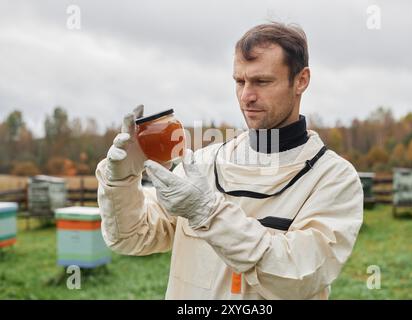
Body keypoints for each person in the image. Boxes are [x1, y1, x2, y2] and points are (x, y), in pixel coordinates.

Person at [95, 22, 363, 299]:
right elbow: (130, 238)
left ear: (301, 80)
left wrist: (208, 214)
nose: (246, 96)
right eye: (239, 81)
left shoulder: (333, 178)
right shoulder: (203, 163)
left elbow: (298, 278)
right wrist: (122, 182)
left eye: (262, 81)